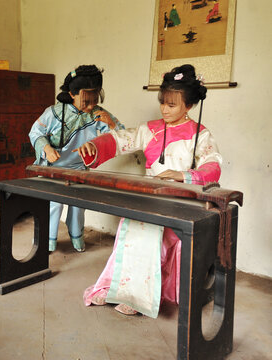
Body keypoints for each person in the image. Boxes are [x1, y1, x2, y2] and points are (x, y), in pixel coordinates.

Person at [77, 64, 221, 317]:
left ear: (189, 106)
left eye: (172, 105)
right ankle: (115, 287)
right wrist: (94, 146)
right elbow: (121, 139)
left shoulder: (201, 134)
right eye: (163, 103)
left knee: (149, 234)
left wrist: (184, 175)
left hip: (182, 200)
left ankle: (137, 295)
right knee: (130, 229)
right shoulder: (149, 129)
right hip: (150, 196)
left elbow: (213, 165)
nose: (165, 109)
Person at [29, 65, 123, 252]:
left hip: (79, 168)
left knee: (78, 205)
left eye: (94, 100)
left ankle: (76, 237)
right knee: (53, 204)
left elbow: (123, 136)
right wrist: (46, 148)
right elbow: (35, 132)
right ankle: (47, 242)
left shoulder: (98, 114)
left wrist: (111, 123)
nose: (90, 106)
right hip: (53, 168)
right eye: (86, 101)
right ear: (72, 93)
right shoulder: (53, 112)